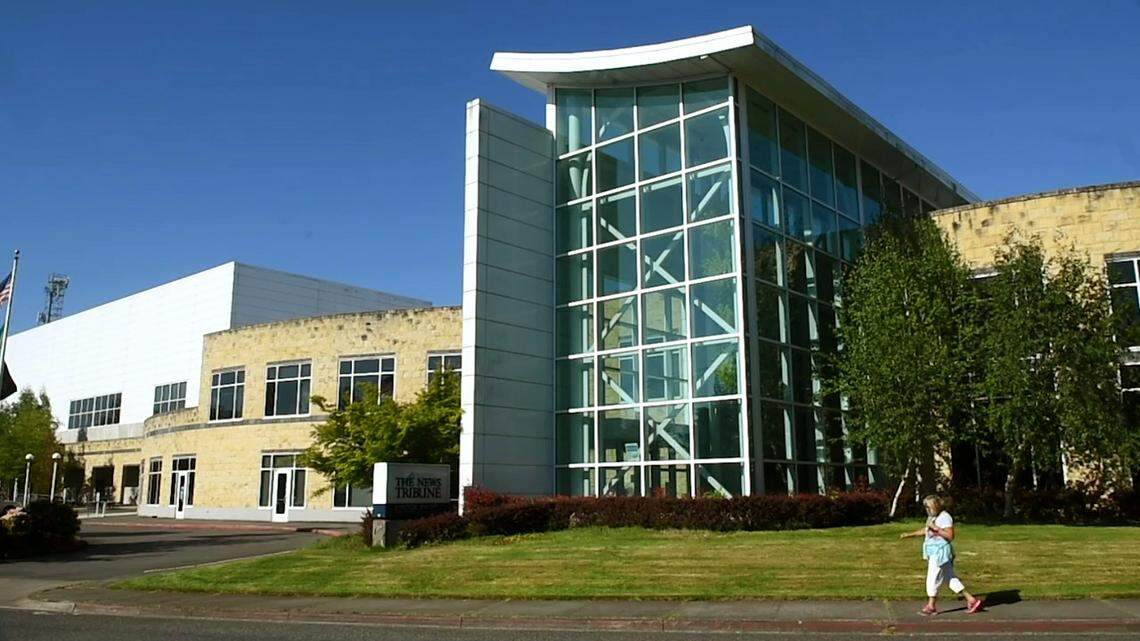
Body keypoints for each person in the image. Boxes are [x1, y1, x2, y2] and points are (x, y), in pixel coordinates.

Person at [900, 495, 984, 615]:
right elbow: (926, 530)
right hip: (933, 551)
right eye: (926, 507)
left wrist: (937, 529)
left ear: (936, 506)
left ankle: (931, 605)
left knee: (932, 577)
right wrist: (910, 534)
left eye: (929, 507)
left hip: (940, 552)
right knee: (950, 578)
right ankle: (971, 600)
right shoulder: (931, 517)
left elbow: (950, 536)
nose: (927, 510)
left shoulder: (945, 517)